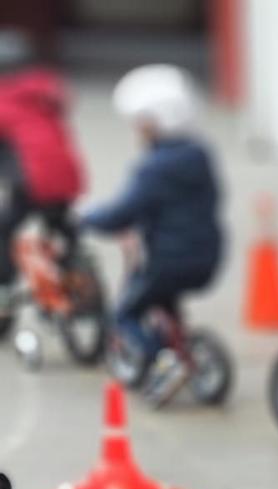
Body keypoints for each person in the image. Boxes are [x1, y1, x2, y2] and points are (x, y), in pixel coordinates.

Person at [80, 65, 223, 388]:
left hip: (168, 259)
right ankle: (181, 347)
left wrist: (88, 218)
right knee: (162, 299)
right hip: (207, 256)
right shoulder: (200, 155)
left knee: (125, 314)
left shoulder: (154, 168)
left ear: (155, 121)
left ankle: (160, 360)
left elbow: (122, 212)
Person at [0, 30, 86, 311]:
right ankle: (77, 267)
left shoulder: (4, 101)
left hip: (33, 183)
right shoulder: (47, 91)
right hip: (67, 177)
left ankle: (4, 287)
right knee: (61, 225)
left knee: (5, 229)